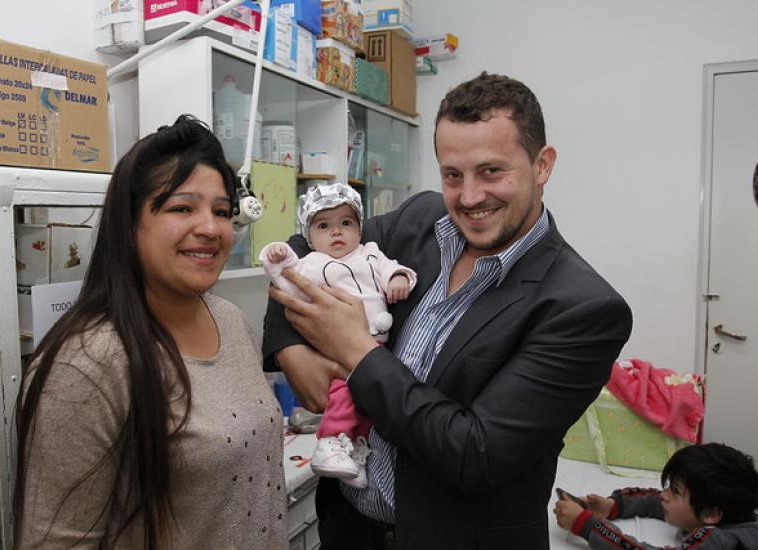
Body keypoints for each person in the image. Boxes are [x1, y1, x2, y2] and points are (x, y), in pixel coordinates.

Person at [262, 71, 633, 549]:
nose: (470, 197)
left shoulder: (582, 308)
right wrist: (292, 350)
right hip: (348, 528)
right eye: (453, 175)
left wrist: (355, 352)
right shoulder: (419, 221)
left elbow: (474, 454)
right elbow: (304, 245)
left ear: (542, 165)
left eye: (491, 171)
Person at [13, 115, 287, 549]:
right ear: (128, 223)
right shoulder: (87, 363)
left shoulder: (230, 320)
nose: (211, 228)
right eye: (182, 208)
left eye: (221, 211)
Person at [260, 183, 416, 489]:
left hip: (377, 347)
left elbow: (393, 269)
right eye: (324, 226)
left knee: (372, 405)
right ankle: (330, 441)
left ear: (360, 227)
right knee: (344, 395)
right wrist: (276, 257)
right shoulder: (312, 263)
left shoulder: (371, 253)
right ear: (310, 237)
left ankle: (355, 450)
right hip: (334, 349)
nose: (336, 232)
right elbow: (287, 285)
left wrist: (398, 278)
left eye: (346, 223)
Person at [553, 442, 758, 549]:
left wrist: (586, 525)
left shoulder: (719, 541)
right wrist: (614, 506)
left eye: (675, 491)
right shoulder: (726, 512)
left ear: (711, 514)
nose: (664, 495)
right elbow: (657, 500)